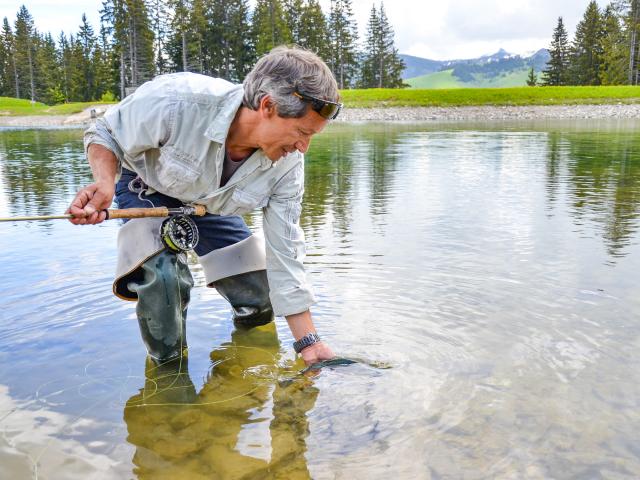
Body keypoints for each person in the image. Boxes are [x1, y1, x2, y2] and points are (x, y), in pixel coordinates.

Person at [67, 46, 341, 366]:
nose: (303, 148)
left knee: (257, 293)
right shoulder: (177, 100)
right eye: (302, 132)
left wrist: (309, 343)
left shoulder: (289, 166)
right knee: (164, 280)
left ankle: (244, 372)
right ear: (268, 106)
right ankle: (168, 381)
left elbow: (286, 252)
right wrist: (104, 182)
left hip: (209, 206)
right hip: (147, 187)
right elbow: (106, 130)